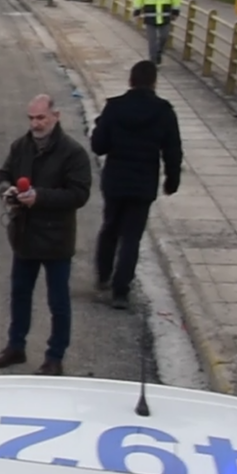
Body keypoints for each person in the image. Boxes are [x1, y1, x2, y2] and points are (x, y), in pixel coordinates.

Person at [0, 94, 93, 377]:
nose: (35, 124)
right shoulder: (21, 147)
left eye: (41, 118)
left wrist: (40, 197)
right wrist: (7, 190)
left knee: (58, 302)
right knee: (20, 294)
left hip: (56, 239)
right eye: (31, 118)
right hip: (24, 236)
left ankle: (55, 356)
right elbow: (2, 175)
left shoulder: (73, 153)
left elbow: (79, 194)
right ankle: (15, 346)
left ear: (55, 116)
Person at [90, 60, 182, 310]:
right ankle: (121, 291)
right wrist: (171, 181)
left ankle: (103, 275)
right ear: (154, 82)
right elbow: (173, 151)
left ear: (130, 80)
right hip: (143, 183)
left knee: (110, 227)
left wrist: (103, 128)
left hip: (116, 180)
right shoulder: (164, 112)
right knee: (132, 236)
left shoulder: (114, 108)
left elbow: (98, 145)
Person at [132, 0, 182, 66]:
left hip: (165, 15)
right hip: (150, 15)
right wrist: (137, 9)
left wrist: (175, 10)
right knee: (152, 40)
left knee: (164, 37)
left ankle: (159, 52)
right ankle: (153, 61)